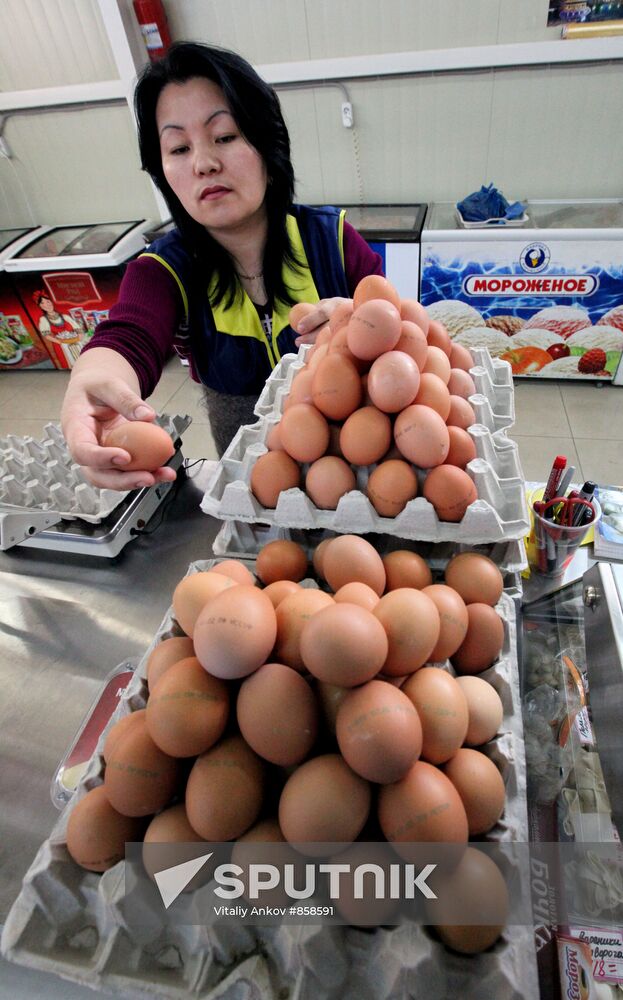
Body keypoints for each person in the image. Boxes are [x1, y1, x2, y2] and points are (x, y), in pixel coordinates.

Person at [60, 41, 383, 490]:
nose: (204, 164)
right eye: (177, 148)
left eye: (225, 137)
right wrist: (93, 381)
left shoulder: (332, 240)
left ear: (267, 145)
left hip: (365, 481)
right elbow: (128, 334)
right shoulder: (163, 270)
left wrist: (354, 329)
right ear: (163, 172)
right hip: (250, 489)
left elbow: (399, 336)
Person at [33, 291, 83, 368]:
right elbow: (46, 335)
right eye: (43, 303)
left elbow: (77, 327)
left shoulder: (65, 316)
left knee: (82, 360)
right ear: (40, 306)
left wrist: (79, 336)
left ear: (51, 302)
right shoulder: (44, 319)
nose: (47, 305)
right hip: (61, 345)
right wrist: (60, 342)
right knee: (69, 363)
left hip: (75, 342)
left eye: (48, 302)